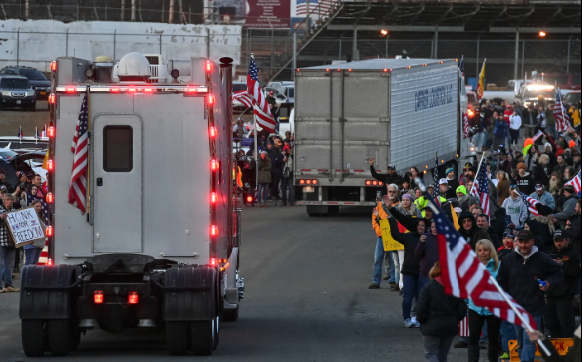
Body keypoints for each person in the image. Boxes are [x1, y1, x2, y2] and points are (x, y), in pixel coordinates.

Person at [496, 230, 563, 362]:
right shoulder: (508, 260)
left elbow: (558, 272)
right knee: (520, 343)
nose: (523, 245)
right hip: (515, 308)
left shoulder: (542, 258)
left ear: (532, 241)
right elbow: (501, 281)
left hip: (534, 308)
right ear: (517, 242)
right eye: (521, 241)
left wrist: (549, 283)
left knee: (529, 342)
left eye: (526, 241)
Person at [415, 262, 468, 362]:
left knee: (431, 353)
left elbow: (420, 309)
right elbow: (462, 309)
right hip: (450, 327)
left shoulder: (428, 288)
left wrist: (422, 320)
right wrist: (454, 319)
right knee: (443, 355)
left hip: (431, 326)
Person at [388, 215, 426, 328]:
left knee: (421, 297)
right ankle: (407, 318)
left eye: (423, 225)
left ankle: (419, 318)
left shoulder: (429, 238)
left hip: (423, 272)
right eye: (419, 225)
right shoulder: (409, 237)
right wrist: (391, 220)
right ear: (415, 226)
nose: (420, 227)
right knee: (408, 296)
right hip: (409, 271)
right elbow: (395, 235)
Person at [468, 240, 502, 362]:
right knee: (473, 338)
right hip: (475, 307)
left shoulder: (499, 266)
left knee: (493, 339)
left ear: (490, 250)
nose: (483, 253)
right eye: (480, 250)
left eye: (485, 250)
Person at [544, 230, 581, 338]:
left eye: (560, 241)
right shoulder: (549, 254)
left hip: (566, 295)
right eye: (556, 241)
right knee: (551, 323)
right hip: (551, 294)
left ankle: (571, 348)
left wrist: (562, 265)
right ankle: (557, 348)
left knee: (566, 322)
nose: (558, 243)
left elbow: (576, 272)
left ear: (567, 240)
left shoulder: (573, 254)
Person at [369, 186, 397, 290]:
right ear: (387, 192)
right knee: (377, 259)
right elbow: (374, 217)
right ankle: (376, 281)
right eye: (390, 191)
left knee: (394, 260)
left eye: (394, 192)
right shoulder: (381, 205)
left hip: (393, 236)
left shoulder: (398, 206)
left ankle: (393, 280)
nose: (392, 194)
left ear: (397, 192)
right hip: (381, 236)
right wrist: (377, 230)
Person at [0, 194, 19, 293]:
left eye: (11, 199)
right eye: (7, 199)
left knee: (10, 265)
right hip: (1, 241)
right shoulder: (0, 210)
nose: (9, 201)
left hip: (12, 243)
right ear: (4, 201)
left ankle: (8, 285)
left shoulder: (15, 212)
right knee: (0, 265)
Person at [23, 200, 47, 266]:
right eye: (36, 206)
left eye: (40, 206)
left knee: (34, 263)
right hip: (31, 243)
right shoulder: (27, 216)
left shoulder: (41, 217)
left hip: (40, 243)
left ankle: (31, 276)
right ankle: (26, 276)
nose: (39, 208)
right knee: (30, 263)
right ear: (32, 206)